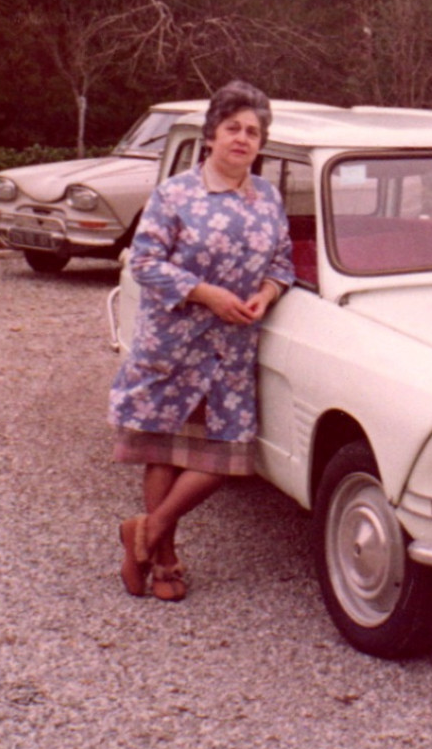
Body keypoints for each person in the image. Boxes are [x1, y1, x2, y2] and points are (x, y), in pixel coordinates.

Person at [108, 80, 296, 601]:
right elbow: (144, 262)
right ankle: (164, 561)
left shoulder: (268, 198)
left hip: (231, 349)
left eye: (253, 131)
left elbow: (282, 261)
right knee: (164, 451)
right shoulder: (175, 194)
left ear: (262, 143)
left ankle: (142, 532)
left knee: (225, 456)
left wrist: (267, 292)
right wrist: (204, 293)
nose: (242, 138)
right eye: (232, 127)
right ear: (211, 134)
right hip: (173, 344)